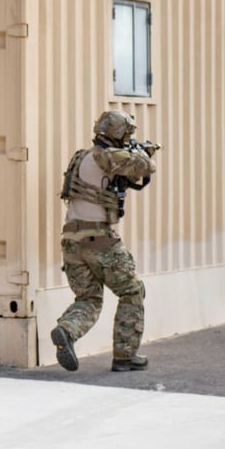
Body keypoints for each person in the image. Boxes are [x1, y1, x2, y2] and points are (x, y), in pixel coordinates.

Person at [51, 110, 158, 372]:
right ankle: (124, 355)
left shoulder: (83, 156)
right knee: (131, 291)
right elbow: (145, 167)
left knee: (88, 297)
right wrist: (143, 152)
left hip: (71, 240)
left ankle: (66, 330)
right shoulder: (110, 156)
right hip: (100, 239)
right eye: (127, 134)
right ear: (117, 133)